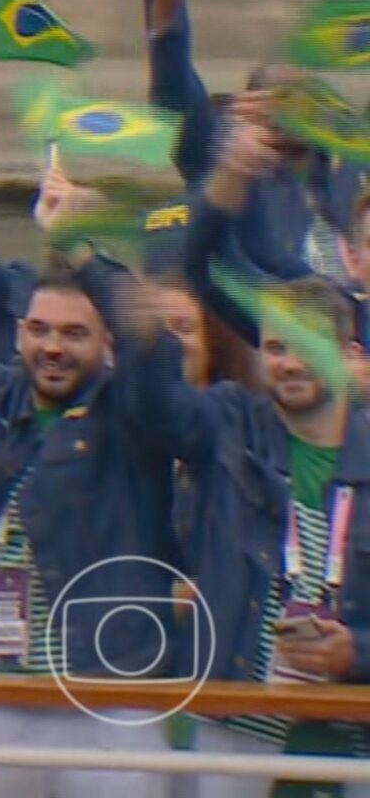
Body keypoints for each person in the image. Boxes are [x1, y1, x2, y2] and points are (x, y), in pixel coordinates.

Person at [117, 127, 370, 798]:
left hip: (352, 733)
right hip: (239, 728)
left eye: (307, 348)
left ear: (349, 357)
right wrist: (144, 345)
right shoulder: (230, 425)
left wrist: (357, 654)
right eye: (276, 347)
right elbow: (153, 408)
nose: (287, 362)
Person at [0, 251, 185, 797]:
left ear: (107, 343)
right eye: (39, 330)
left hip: (107, 700)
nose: (52, 347)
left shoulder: (132, 417)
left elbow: (156, 360)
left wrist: (93, 260)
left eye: (75, 334)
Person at [147, 0, 361, 284]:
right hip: (268, 324)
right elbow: (172, 78)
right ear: (247, 111)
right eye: (275, 101)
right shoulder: (223, 163)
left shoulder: (349, 170)